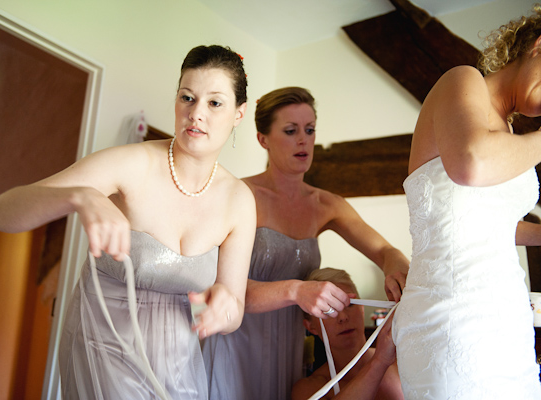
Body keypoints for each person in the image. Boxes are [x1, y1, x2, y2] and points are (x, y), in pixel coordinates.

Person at [0, 44, 256, 400]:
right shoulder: (131, 164)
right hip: (102, 352)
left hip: (179, 367)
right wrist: (79, 196)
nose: (196, 114)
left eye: (215, 102)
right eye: (187, 98)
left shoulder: (239, 201)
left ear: (239, 113)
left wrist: (223, 306)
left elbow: (233, 308)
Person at [202, 86, 409, 400]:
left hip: (292, 347)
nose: (303, 140)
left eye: (309, 130)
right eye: (290, 130)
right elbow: (210, 281)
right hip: (236, 341)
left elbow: (383, 250)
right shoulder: (239, 195)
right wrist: (294, 291)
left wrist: (395, 264)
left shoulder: (326, 205)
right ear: (263, 139)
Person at [392, 6, 541, 399]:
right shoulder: (463, 80)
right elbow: (470, 165)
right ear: (539, 47)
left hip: (508, 321)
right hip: (452, 318)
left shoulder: (509, 129)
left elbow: (484, 224)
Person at [291, 268, 403, 400]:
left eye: (350, 305)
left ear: (362, 308)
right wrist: (380, 361)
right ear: (311, 327)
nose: (343, 317)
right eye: (328, 310)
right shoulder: (310, 389)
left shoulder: (400, 362)